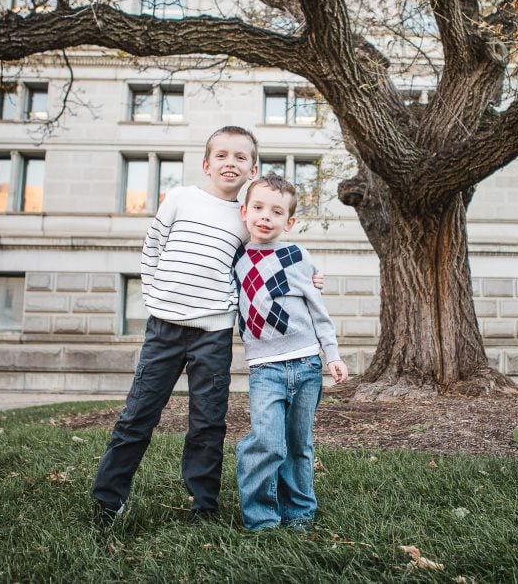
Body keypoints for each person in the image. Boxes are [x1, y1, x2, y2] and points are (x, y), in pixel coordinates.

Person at [90, 126, 323, 527]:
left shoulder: (245, 218)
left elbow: (269, 255)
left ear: (252, 169)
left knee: (208, 422)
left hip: (213, 334)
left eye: (240, 157)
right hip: (164, 328)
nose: (230, 162)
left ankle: (204, 506)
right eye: (222, 155)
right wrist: (155, 296)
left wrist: (311, 276)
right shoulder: (181, 198)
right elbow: (153, 247)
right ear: (206, 163)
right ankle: (108, 502)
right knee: (137, 416)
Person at [234, 173, 348, 532]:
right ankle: (261, 516)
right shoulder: (234, 259)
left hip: (307, 364)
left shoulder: (297, 256)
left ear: (290, 221)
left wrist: (332, 354)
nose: (266, 216)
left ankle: (298, 512)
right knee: (267, 441)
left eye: (276, 211)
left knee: (299, 445)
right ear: (244, 212)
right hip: (264, 369)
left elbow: (317, 308)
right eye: (258, 208)